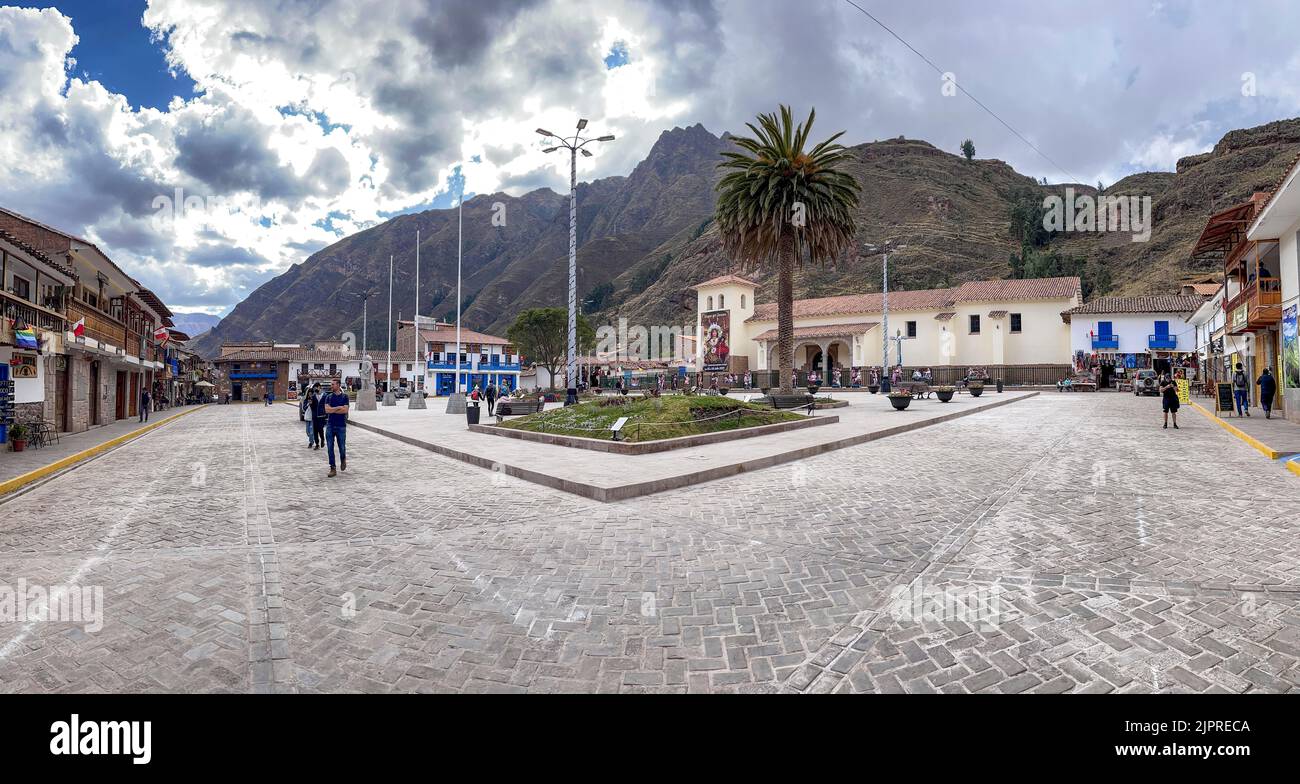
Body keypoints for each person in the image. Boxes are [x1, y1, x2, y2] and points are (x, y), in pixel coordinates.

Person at [322, 378, 350, 477]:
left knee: (342, 447)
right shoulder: (328, 397)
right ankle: (332, 468)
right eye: (331, 384)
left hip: (341, 426)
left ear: (338, 385)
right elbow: (327, 410)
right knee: (330, 447)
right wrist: (338, 407)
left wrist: (333, 409)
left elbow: (345, 410)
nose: (331, 386)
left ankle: (343, 459)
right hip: (330, 425)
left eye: (333, 384)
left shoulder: (345, 397)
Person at [310, 385, 326, 449]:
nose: (316, 389)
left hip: (322, 416)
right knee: (315, 430)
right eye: (315, 388)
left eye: (317, 388)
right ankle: (317, 444)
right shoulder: (313, 396)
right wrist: (311, 403)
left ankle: (322, 439)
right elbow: (312, 407)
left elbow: (327, 405)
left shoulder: (325, 396)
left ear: (320, 388)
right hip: (315, 416)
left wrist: (326, 414)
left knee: (320, 429)